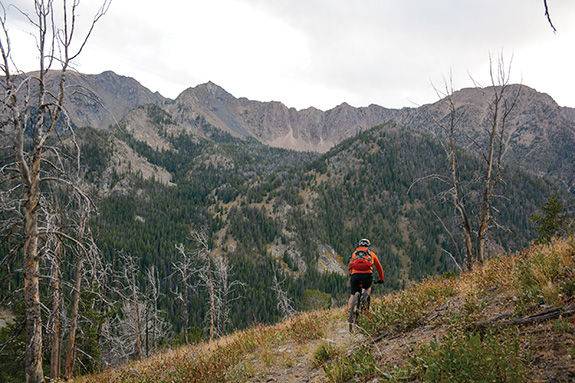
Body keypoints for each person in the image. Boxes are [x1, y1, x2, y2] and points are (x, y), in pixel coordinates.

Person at [347, 238, 384, 322]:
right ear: (368, 246)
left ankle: (351, 312)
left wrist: (352, 273)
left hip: (355, 275)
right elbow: (379, 267)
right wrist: (381, 279)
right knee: (368, 288)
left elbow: (350, 265)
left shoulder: (354, 254)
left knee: (353, 294)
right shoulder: (371, 254)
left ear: (359, 246)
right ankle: (365, 298)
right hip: (367, 275)